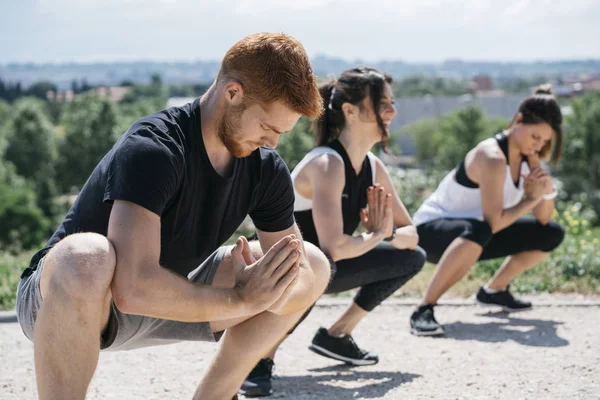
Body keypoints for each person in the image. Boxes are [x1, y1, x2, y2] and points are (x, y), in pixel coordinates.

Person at [15, 33, 332, 400]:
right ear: (233, 93)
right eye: (267, 127)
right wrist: (244, 300)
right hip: (78, 299)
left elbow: (303, 277)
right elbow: (132, 288)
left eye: (281, 132)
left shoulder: (265, 170)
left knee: (310, 261)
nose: (273, 142)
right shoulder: (155, 147)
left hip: (167, 297)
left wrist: (271, 292)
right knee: (84, 258)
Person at [240, 67, 426, 398]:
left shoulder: (372, 166)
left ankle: (337, 336)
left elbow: (410, 232)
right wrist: (376, 236)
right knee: (320, 266)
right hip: (274, 268)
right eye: (382, 103)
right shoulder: (327, 164)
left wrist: (387, 235)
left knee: (411, 258)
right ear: (350, 111)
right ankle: (257, 359)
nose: (392, 111)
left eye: (391, 102)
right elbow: (334, 246)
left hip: (320, 266)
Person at [409, 85, 565, 337]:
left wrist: (545, 191)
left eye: (545, 141)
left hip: (475, 233)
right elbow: (493, 221)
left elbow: (543, 218)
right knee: (481, 228)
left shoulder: (528, 157)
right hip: (430, 233)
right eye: (535, 137)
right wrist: (528, 200)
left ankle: (494, 291)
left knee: (550, 233)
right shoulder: (491, 156)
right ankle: (423, 309)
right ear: (518, 120)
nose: (538, 146)